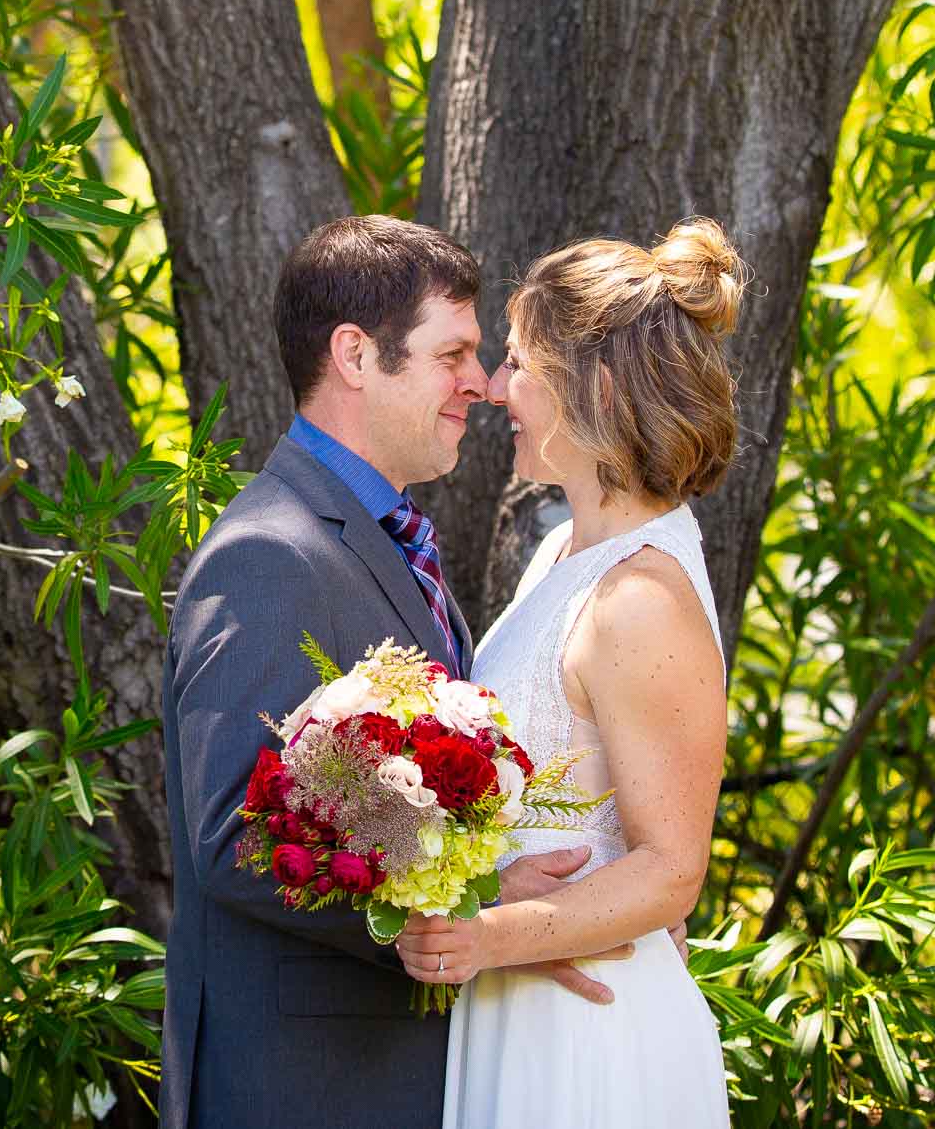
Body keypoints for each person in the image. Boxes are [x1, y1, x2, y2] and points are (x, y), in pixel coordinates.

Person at [160, 215, 633, 1129]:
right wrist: (475, 908)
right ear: (355, 354)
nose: (483, 384)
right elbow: (232, 836)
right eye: (452, 352)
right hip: (306, 1084)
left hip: (395, 1070)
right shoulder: (269, 554)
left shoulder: (388, 537)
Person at [398, 220, 742, 1129]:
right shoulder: (562, 551)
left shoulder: (640, 595)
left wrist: (484, 935)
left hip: (592, 1030)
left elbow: (671, 870)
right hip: (521, 1002)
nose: (498, 389)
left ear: (591, 384)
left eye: (518, 363)